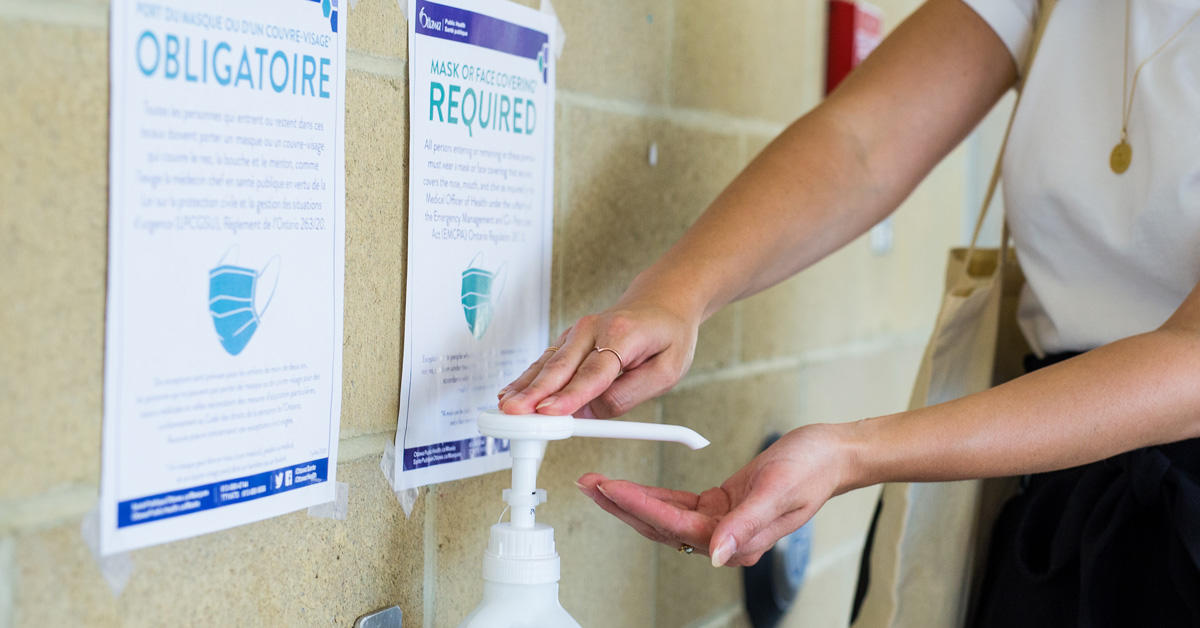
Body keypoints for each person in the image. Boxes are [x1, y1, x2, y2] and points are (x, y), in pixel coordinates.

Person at [497, 0, 1200, 623]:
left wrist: (853, 453)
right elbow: (861, 146)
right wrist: (676, 294)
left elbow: (1190, 363)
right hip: (1058, 507)